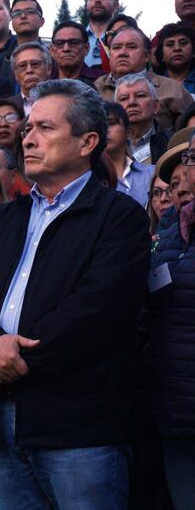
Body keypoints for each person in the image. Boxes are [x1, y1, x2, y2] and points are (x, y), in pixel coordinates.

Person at [0, 78, 150, 510]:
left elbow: (96, 312)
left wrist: (4, 361)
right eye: (27, 129)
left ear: (87, 142)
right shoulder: (6, 218)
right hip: (3, 419)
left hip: (79, 424)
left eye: (45, 128)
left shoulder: (119, 217)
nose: (29, 139)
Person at [142, 128, 195, 510]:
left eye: (189, 168)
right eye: (171, 182)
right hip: (175, 409)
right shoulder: (163, 240)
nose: (179, 187)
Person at [95, 27, 194, 131]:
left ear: (147, 56)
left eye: (131, 47)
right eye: (116, 47)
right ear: (110, 54)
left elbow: (188, 136)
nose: (122, 53)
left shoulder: (172, 89)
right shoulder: (95, 89)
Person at [103, 101, 155, 207]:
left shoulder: (152, 173)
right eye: (99, 125)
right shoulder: (89, 180)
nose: (105, 130)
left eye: (111, 123)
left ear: (128, 132)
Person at [115, 73, 173, 165]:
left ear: (155, 106)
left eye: (140, 96)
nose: (132, 102)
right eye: (124, 98)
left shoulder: (172, 144)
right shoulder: (107, 145)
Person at [50, 20, 105, 85]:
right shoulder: (43, 84)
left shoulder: (103, 81)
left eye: (74, 42)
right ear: (52, 50)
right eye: (59, 43)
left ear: (86, 48)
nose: (66, 49)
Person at [10, 42, 51, 115]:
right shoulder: (6, 107)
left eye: (35, 64)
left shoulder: (64, 104)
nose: (29, 70)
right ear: (15, 74)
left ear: (49, 69)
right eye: (22, 66)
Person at [156, 22, 195, 96]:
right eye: (170, 44)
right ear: (162, 54)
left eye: (183, 43)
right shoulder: (150, 86)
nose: (177, 48)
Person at [85, 0, 119, 68]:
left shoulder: (129, 40)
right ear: (86, 5)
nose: (97, 0)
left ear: (115, 6)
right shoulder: (75, 40)